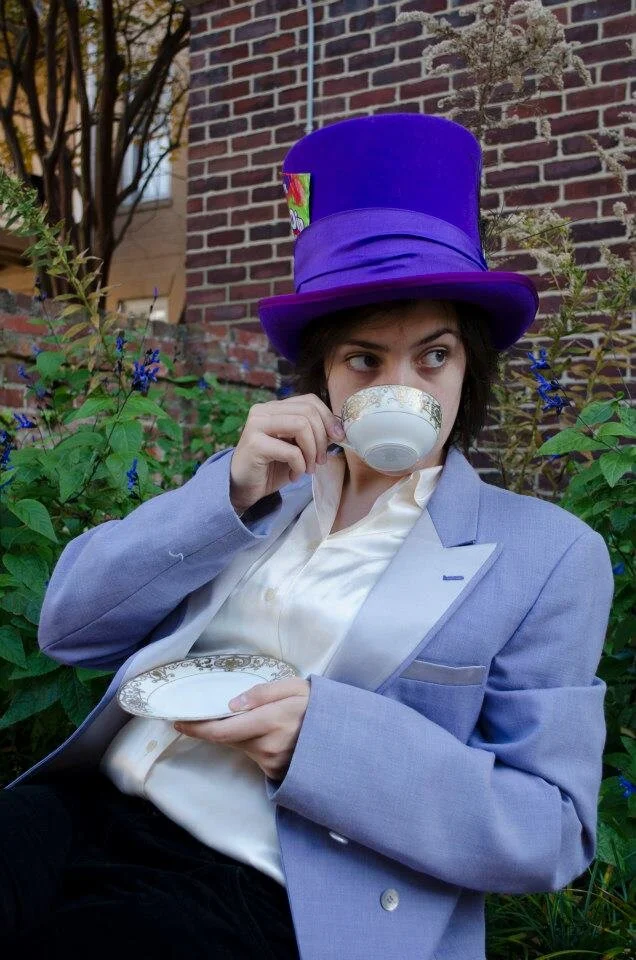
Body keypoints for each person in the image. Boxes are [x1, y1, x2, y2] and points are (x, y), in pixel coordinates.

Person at [1, 114, 613, 960]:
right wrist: (225, 493)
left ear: (468, 364)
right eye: (365, 361)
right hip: (91, 809)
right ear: (323, 372)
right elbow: (68, 630)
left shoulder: (548, 556)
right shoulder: (260, 488)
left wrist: (320, 742)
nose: (403, 386)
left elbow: (552, 828)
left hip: (281, 888)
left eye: (433, 356)